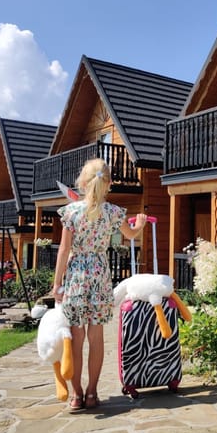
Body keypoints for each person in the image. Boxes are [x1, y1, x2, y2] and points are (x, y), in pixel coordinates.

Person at [52, 158, 147, 412]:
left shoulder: (71, 212)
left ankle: (76, 395)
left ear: (83, 182)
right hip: (101, 275)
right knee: (96, 337)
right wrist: (140, 224)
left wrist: (56, 283)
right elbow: (131, 235)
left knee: (75, 337)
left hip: (76, 277)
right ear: (108, 185)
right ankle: (93, 393)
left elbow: (64, 250)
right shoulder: (114, 212)